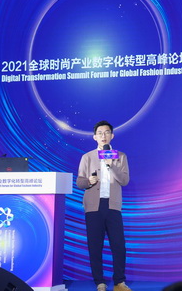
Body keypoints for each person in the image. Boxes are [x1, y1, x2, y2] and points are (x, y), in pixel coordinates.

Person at [77, 121, 131, 291]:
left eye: (106, 132)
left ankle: (119, 282)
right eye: (100, 133)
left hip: (113, 205)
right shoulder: (87, 157)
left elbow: (124, 180)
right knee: (95, 246)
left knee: (118, 245)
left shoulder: (120, 156)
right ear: (95, 137)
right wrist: (88, 181)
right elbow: (79, 182)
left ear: (112, 135)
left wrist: (111, 165)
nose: (103, 136)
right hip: (94, 206)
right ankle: (99, 282)